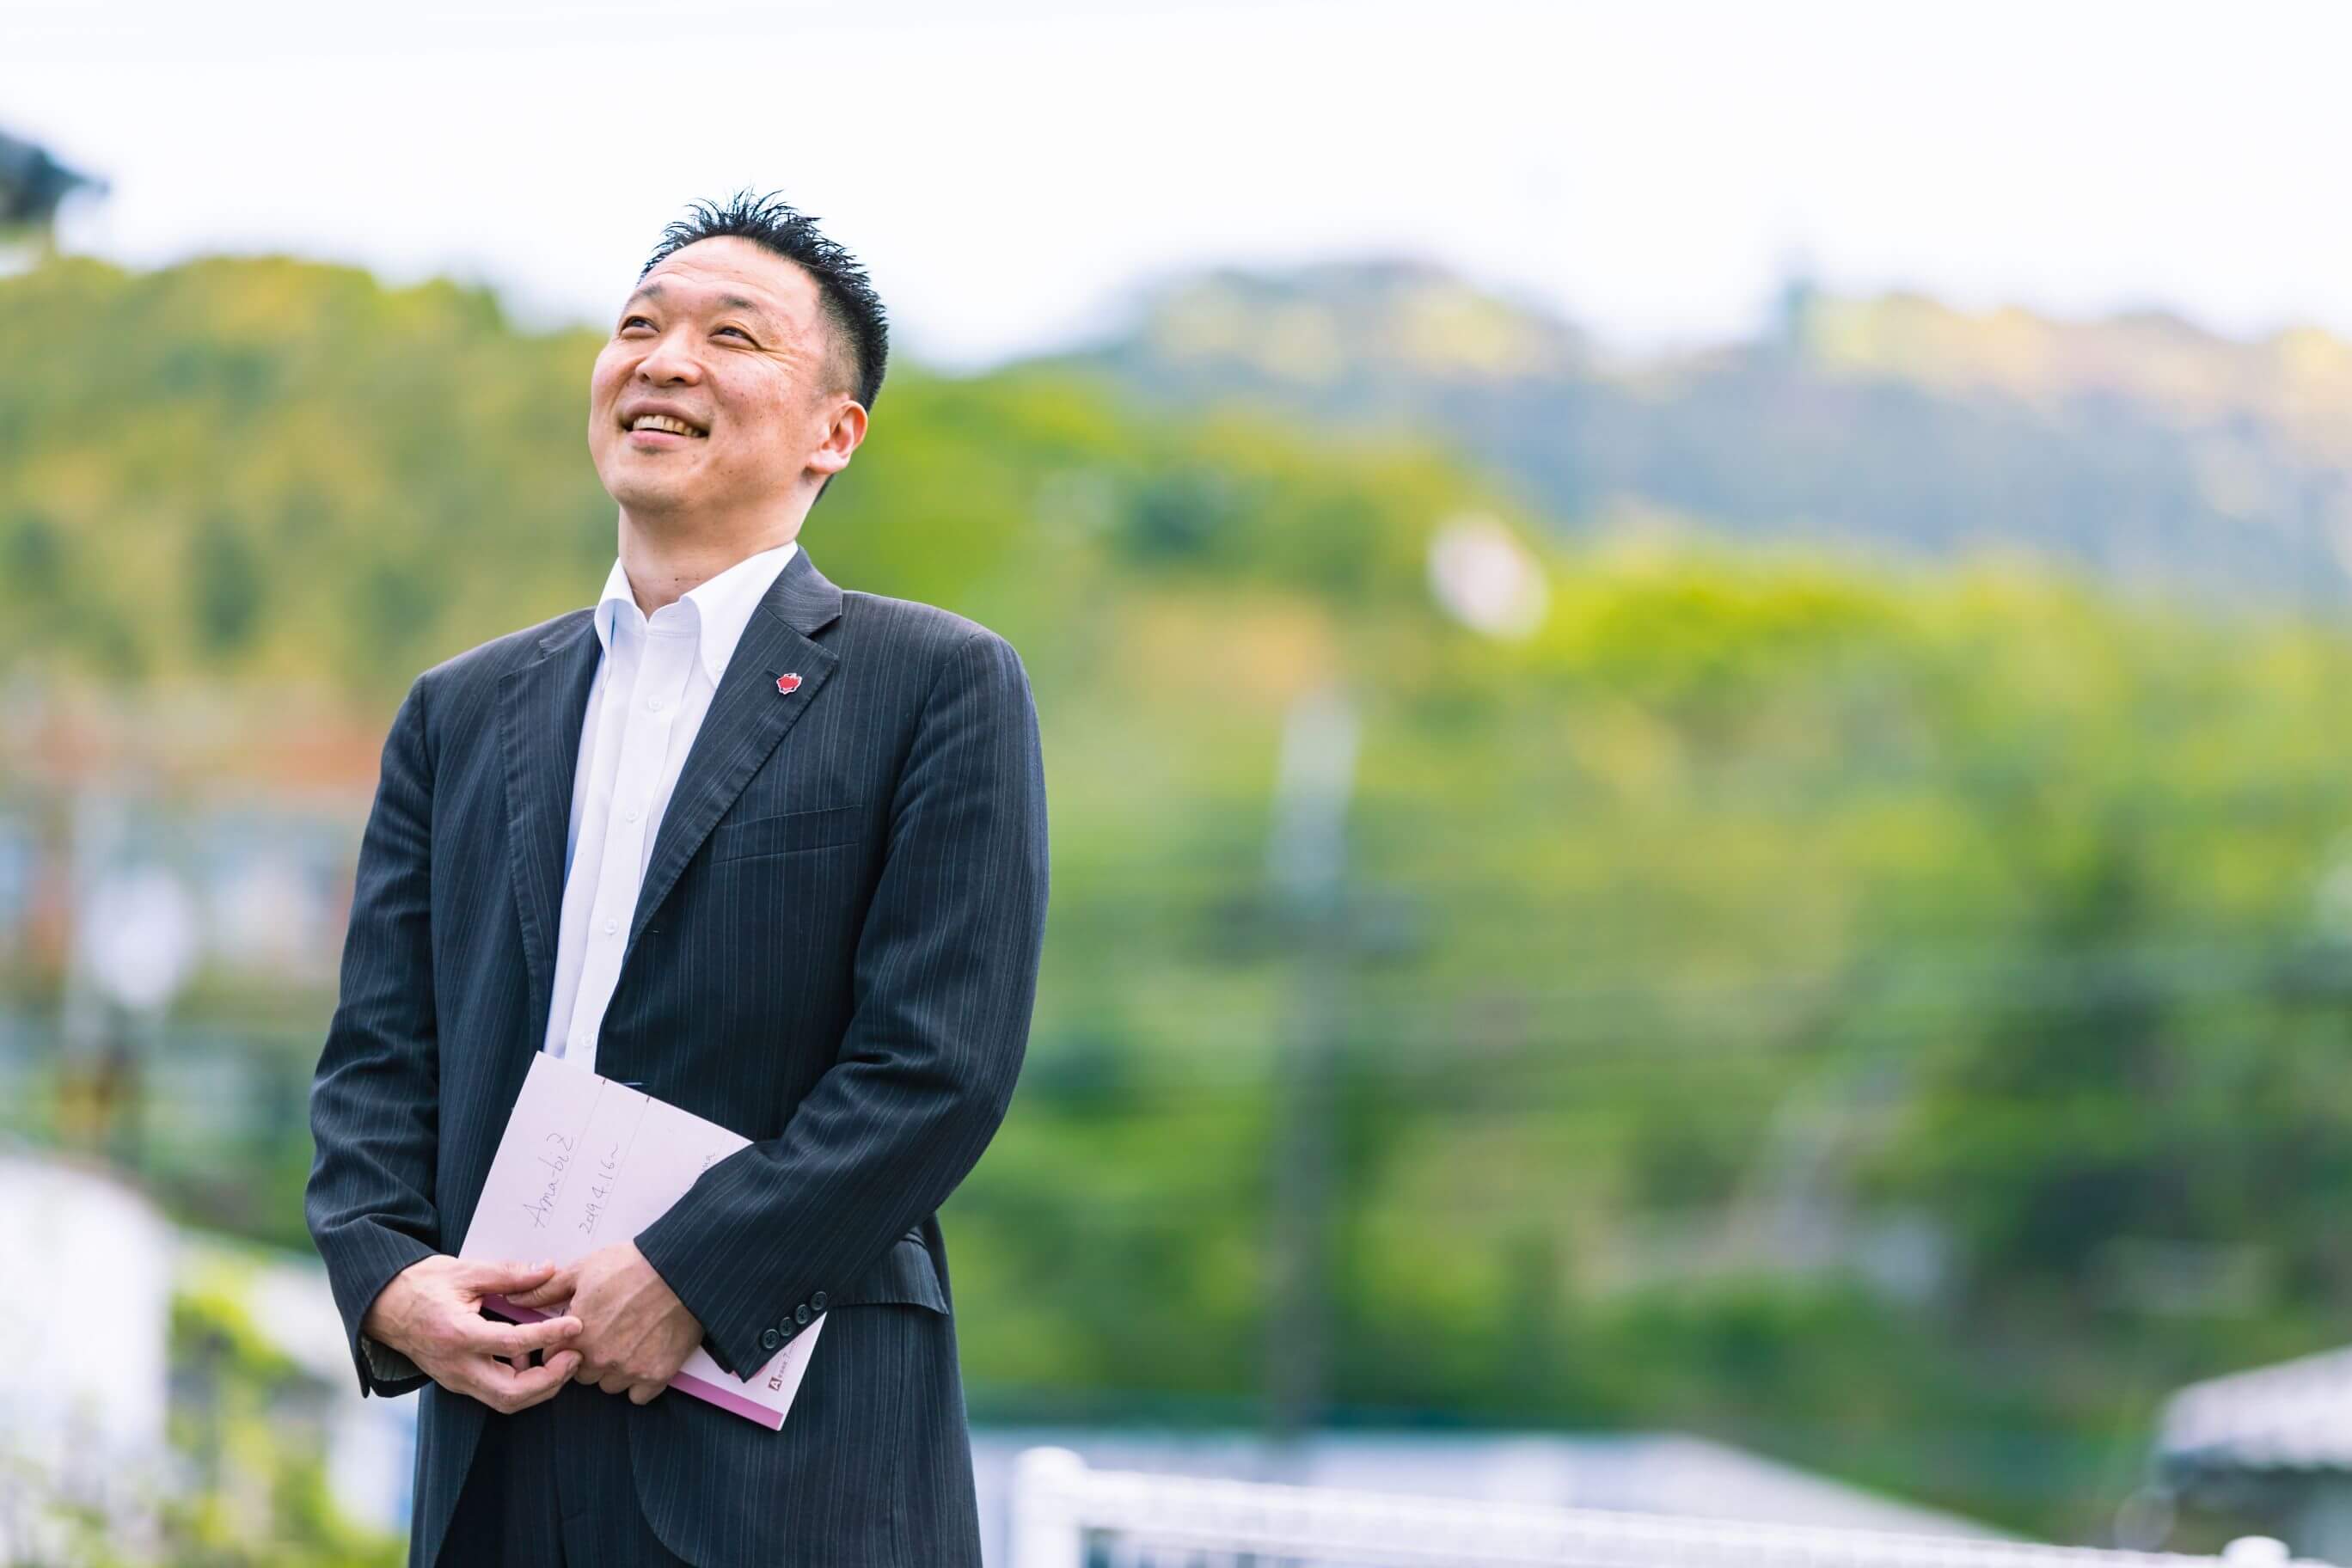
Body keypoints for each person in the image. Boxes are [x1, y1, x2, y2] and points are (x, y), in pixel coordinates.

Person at [305, 190, 1050, 1568]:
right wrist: (389, 1283)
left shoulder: (934, 684)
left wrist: (690, 1275)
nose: (663, 360)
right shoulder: (460, 710)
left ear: (835, 432)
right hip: (499, 1447)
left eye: (731, 336)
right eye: (638, 326)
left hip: (795, 1461)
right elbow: (376, 1062)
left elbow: (937, 1066)